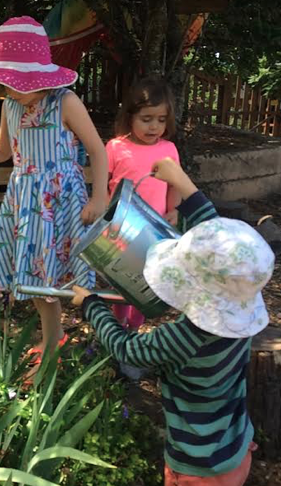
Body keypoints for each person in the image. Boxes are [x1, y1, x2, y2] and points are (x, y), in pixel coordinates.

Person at [72, 158, 275, 486]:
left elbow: (127, 349)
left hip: (197, 468)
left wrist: (91, 305)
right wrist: (180, 180)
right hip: (236, 449)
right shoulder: (241, 305)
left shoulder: (184, 338)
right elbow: (216, 236)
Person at [0, 16, 108, 366]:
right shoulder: (10, 104)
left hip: (60, 201)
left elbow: (97, 149)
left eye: (18, 83)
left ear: (39, 76)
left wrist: (99, 197)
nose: (11, 90)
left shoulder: (65, 102)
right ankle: (54, 338)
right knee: (34, 276)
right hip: (25, 203)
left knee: (51, 277)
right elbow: (2, 151)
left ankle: (58, 342)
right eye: (6, 83)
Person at [106, 76, 182, 332]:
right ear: (130, 116)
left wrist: (173, 210)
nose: (154, 127)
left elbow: (175, 184)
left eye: (161, 120)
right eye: (146, 119)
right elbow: (103, 182)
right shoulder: (115, 147)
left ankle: (134, 328)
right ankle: (118, 324)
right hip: (121, 229)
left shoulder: (168, 149)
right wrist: (105, 212)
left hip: (154, 231)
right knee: (121, 279)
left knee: (147, 281)